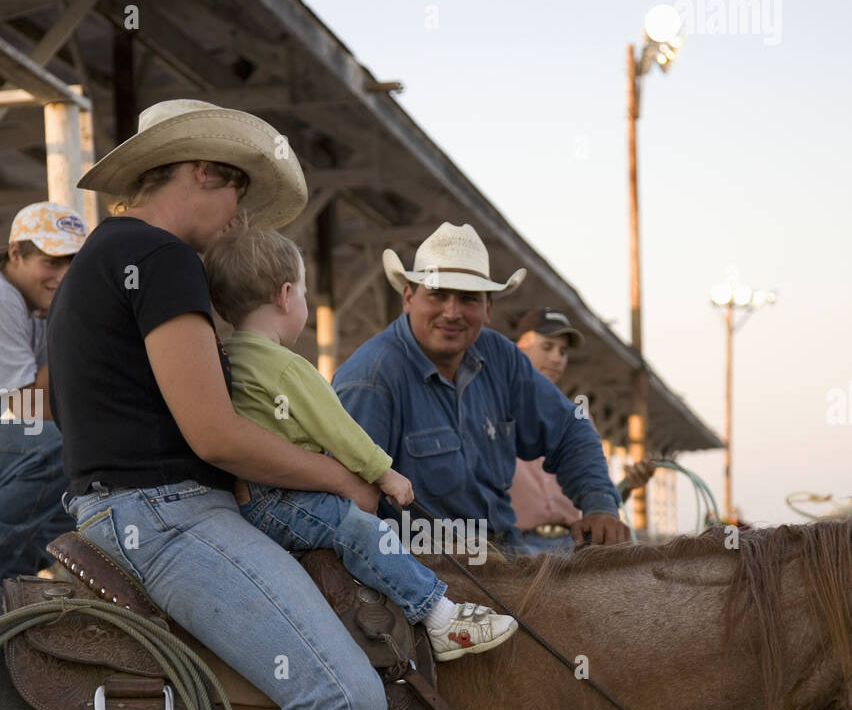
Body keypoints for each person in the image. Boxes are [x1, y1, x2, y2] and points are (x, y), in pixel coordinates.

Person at [48, 98, 406, 710]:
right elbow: (212, 435)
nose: (242, 219)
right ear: (201, 173)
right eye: (238, 191)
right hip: (168, 514)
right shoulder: (159, 260)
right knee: (344, 704)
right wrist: (342, 478)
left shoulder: (100, 264)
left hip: (122, 509)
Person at [202, 224, 517, 659]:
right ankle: (441, 618)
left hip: (247, 498)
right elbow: (339, 430)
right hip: (277, 499)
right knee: (363, 531)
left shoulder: (227, 356)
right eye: (307, 294)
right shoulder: (287, 368)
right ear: (285, 295)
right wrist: (385, 474)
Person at [331, 223, 629, 553]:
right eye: (438, 294)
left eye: (468, 299)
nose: (452, 312)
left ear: (488, 310)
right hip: (422, 566)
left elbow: (570, 428)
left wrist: (600, 504)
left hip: (506, 554)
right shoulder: (372, 378)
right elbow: (350, 510)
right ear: (408, 298)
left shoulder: (501, 358)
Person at [510, 308, 656, 554]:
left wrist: (628, 485)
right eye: (547, 347)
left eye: (563, 351)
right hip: (514, 547)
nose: (557, 358)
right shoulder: (493, 411)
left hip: (571, 545)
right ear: (518, 348)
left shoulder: (581, 418)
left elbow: (596, 499)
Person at [0, 201, 87, 576]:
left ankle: (14, 580)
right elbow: (31, 410)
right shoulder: (3, 299)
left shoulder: (34, 307)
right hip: (18, 435)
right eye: (52, 262)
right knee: (60, 445)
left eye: (71, 263)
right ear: (15, 252)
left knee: (89, 479)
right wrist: (74, 328)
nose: (63, 275)